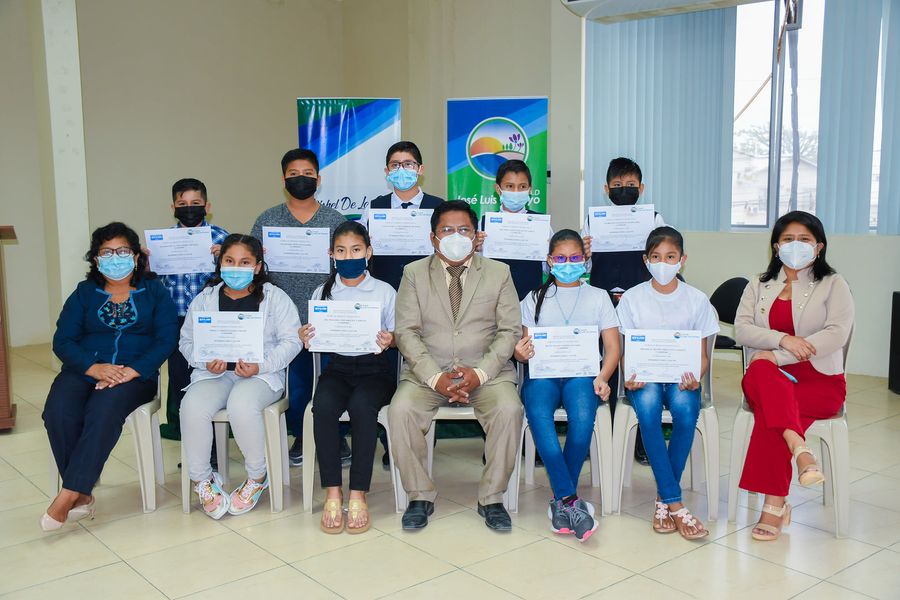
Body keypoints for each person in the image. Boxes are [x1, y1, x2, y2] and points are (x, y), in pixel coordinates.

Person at [388, 200, 523, 532]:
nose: (456, 236)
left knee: (509, 409)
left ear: (476, 236)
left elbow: (509, 331)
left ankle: (492, 498)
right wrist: (435, 378)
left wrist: (480, 373)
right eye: (447, 230)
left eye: (464, 229)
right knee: (400, 410)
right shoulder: (413, 273)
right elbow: (406, 332)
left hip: (486, 373)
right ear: (433, 237)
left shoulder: (499, 272)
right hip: (427, 374)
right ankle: (420, 495)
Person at [41, 222, 179, 530]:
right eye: (106, 252)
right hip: (84, 369)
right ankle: (81, 492)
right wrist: (94, 368)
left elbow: (166, 339)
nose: (115, 258)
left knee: (102, 410)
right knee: (58, 411)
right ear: (95, 259)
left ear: (136, 256)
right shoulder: (84, 293)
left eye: (122, 251)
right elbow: (63, 340)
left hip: (136, 375)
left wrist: (131, 371)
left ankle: (70, 494)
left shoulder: (155, 292)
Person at [734, 211, 853, 541]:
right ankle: (800, 449)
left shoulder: (834, 284)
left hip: (819, 380)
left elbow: (836, 334)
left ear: (819, 246)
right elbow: (742, 329)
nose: (795, 245)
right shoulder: (758, 284)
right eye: (788, 239)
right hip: (767, 375)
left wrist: (777, 354)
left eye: (804, 239)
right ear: (776, 246)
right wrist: (782, 340)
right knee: (762, 371)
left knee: (770, 413)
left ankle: (774, 504)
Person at [179, 234, 302, 519]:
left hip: (261, 376)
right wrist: (204, 360)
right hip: (214, 375)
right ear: (220, 263)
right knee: (191, 407)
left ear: (257, 266)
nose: (236, 267)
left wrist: (262, 365)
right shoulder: (205, 299)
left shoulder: (275, 297)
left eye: (245, 262)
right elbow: (186, 340)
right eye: (230, 261)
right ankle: (202, 480)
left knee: (241, 406)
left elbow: (292, 341)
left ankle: (257, 477)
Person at [513, 229, 620, 541]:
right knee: (539, 417)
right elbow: (521, 347)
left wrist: (603, 377)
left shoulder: (598, 297)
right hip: (543, 375)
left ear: (585, 261)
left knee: (583, 418)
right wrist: (520, 352)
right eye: (560, 259)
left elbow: (613, 347)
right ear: (549, 261)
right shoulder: (533, 298)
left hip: (583, 375)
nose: (568, 264)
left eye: (575, 258)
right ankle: (570, 500)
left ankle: (562, 503)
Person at [616, 226, 719, 540]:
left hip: (682, 379)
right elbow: (624, 350)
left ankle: (665, 499)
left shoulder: (697, 300)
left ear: (682, 260)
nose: (663, 263)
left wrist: (695, 377)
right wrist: (630, 376)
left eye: (670, 257)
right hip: (644, 379)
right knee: (648, 411)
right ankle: (675, 503)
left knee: (686, 413)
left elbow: (702, 356)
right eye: (657, 257)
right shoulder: (631, 299)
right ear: (646, 260)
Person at [251, 148, 347, 468]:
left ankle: (336, 436)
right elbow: (254, 267)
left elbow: (348, 267)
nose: (301, 179)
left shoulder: (335, 220)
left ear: (318, 179)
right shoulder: (267, 220)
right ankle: (301, 436)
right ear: (283, 180)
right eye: (293, 174)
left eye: (307, 174)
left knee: (332, 380)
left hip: (327, 317)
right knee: (297, 383)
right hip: (283, 321)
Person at [299, 221, 397, 534]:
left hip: (376, 370)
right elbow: (316, 337)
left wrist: (390, 339)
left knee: (362, 407)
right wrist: (306, 335)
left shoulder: (384, 291)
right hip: (338, 368)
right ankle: (333, 492)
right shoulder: (322, 292)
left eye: (356, 250)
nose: (348, 256)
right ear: (331, 254)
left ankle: (358, 493)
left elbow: (399, 335)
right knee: (323, 406)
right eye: (341, 251)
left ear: (368, 252)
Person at [582, 157, 665, 465]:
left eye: (631, 185)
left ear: (641, 188)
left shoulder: (654, 219)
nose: (624, 189)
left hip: (641, 303)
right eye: (617, 185)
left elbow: (663, 257)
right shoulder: (594, 220)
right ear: (606, 189)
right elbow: (584, 264)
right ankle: (597, 437)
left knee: (640, 367)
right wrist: (585, 252)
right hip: (602, 301)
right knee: (602, 366)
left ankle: (641, 440)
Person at [155, 178, 229, 441]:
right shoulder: (162, 242)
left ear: (207, 206)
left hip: (213, 320)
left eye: (195, 203)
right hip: (176, 320)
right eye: (182, 203)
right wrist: (147, 264)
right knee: (179, 375)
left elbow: (242, 274)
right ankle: (187, 433)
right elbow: (156, 281)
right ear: (173, 207)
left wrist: (224, 258)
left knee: (216, 372)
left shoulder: (223, 238)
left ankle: (220, 430)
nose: (189, 208)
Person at [366, 141, 445, 290]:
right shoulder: (373, 207)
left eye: (408, 164)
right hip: (383, 287)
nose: (401, 169)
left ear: (420, 169)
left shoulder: (440, 207)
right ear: (387, 171)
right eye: (395, 165)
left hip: (428, 288)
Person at [478, 159, 549, 301]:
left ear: (530, 189)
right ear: (498, 189)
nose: (516, 192)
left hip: (530, 300)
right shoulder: (485, 223)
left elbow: (547, 269)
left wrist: (549, 253)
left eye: (522, 186)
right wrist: (476, 250)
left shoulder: (541, 223)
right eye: (509, 186)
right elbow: (478, 267)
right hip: (494, 299)